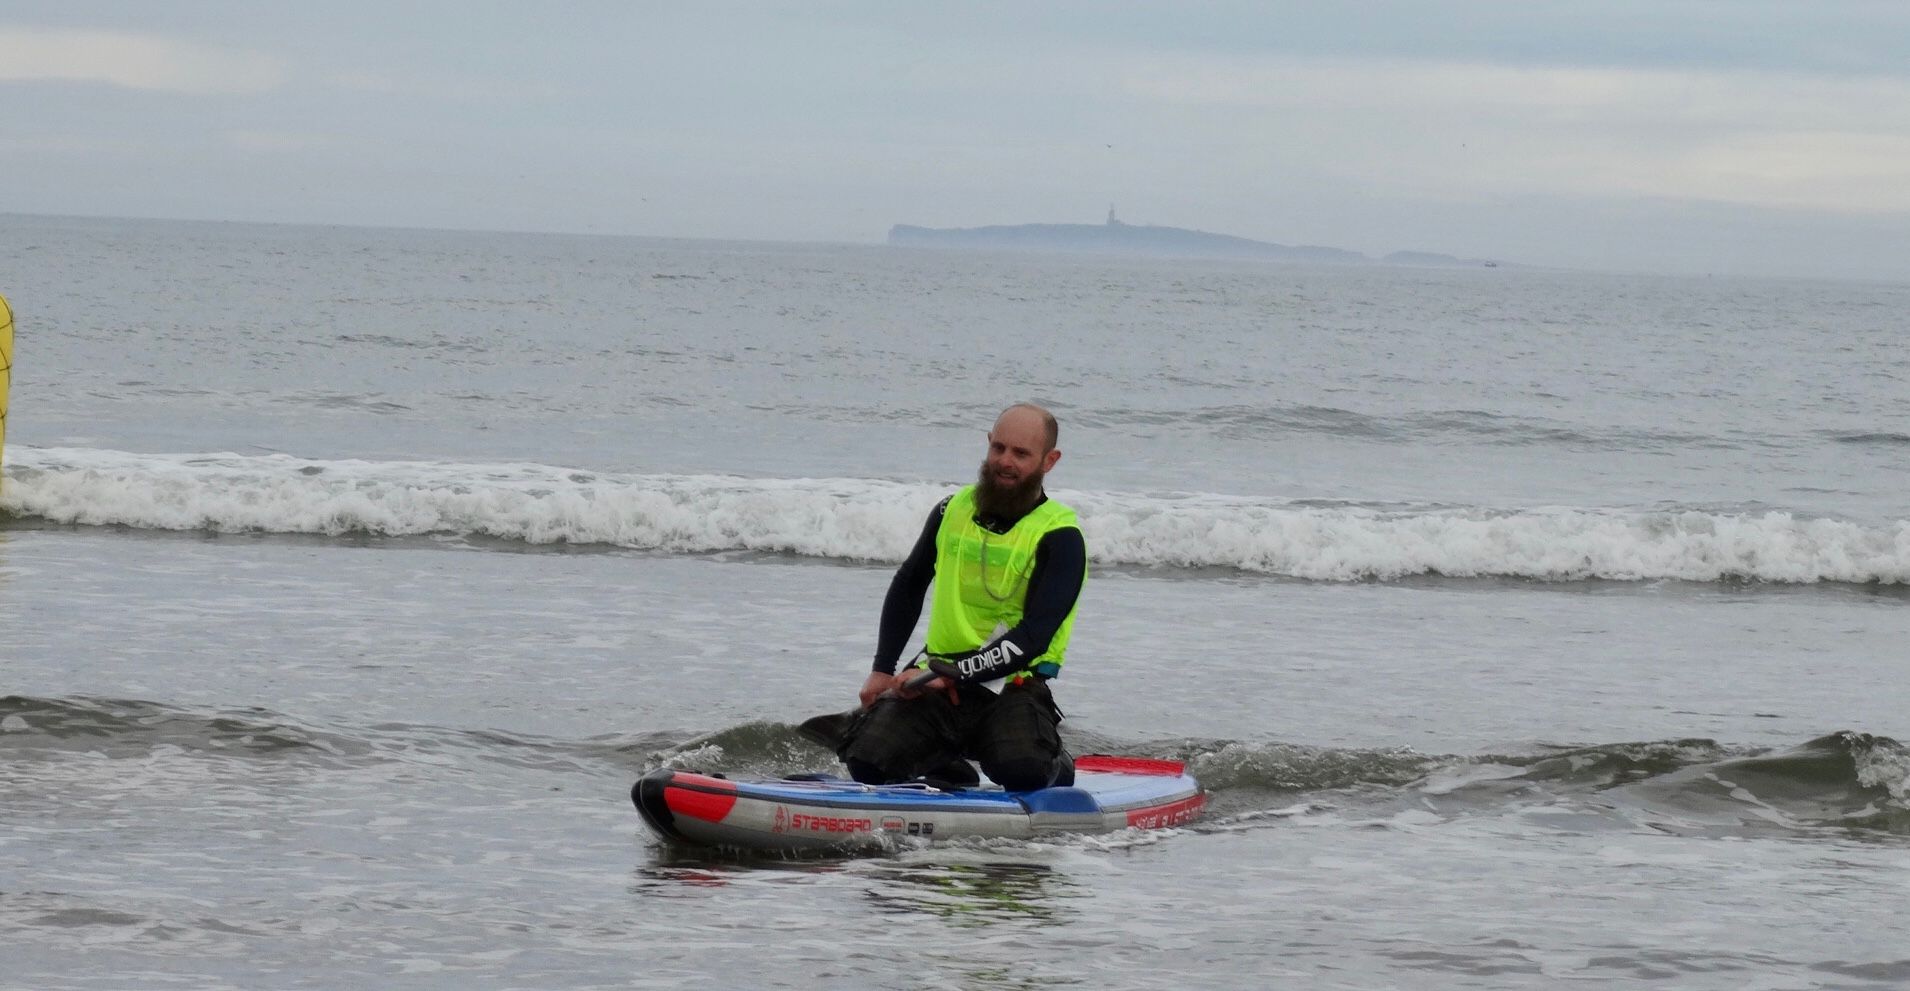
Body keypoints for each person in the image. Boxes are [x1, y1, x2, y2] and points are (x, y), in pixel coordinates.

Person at [839, 402, 1088, 791]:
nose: (1005, 461)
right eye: (998, 448)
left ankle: (1059, 763)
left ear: (1049, 461)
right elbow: (910, 583)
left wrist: (950, 674)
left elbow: (1034, 636)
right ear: (988, 443)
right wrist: (883, 668)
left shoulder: (1062, 536)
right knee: (867, 761)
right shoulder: (950, 510)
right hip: (939, 679)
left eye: (1021, 454)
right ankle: (946, 761)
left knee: (1023, 771)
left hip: (1012, 685)